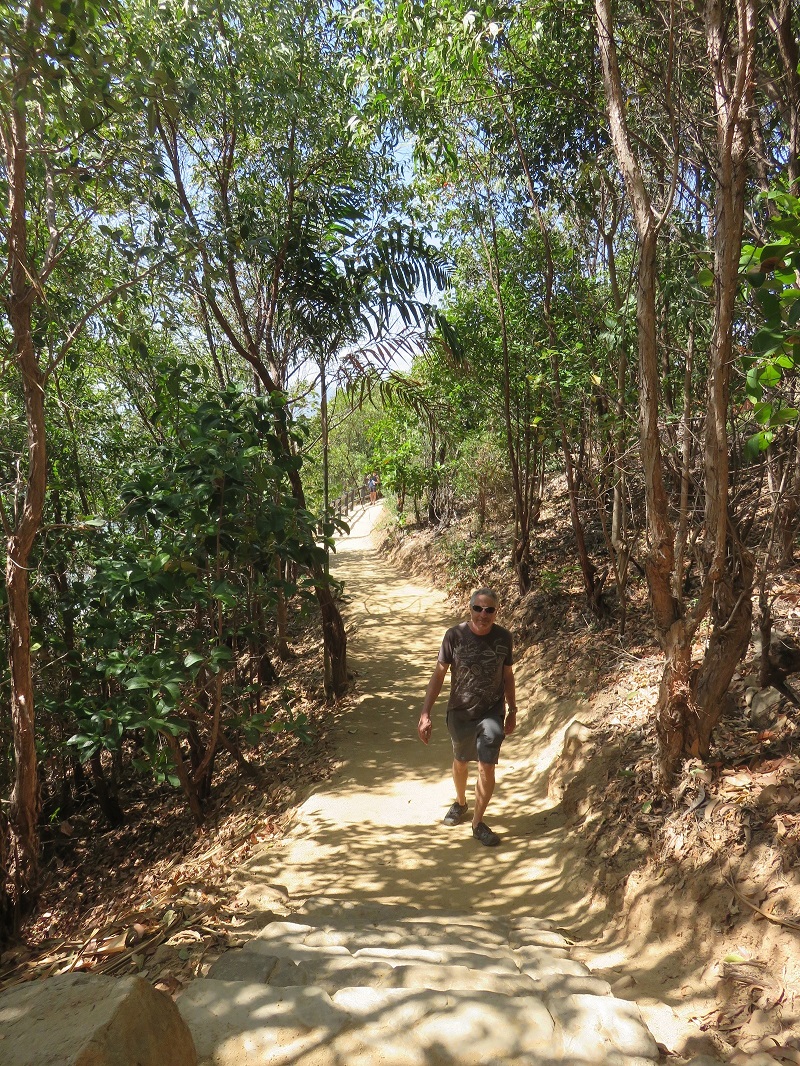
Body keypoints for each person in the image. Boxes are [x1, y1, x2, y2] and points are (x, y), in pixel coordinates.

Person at [417, 587, 517, 847]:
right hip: (460, 711)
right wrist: (425, 713)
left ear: (496, 612)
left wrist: (513, 709)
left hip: (491, 712)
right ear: (470, 608)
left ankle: (477, 823)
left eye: (489, 610)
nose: (483, 614)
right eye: (478, 608)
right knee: (461, 761)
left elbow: (507, 676)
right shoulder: (455, 636)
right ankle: (461, 803)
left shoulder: (504, 638)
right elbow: (439, 675)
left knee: (487, 765)